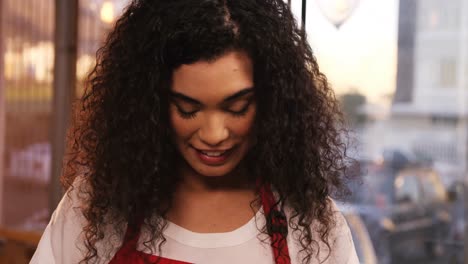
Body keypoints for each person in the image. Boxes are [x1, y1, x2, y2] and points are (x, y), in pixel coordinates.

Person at [31, 0, 359, 263]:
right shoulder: (96, 205)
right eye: (188, 108)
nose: (214, 134)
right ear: (152, 104)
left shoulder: (313, 226)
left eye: (237, 107)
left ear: (272, 102)